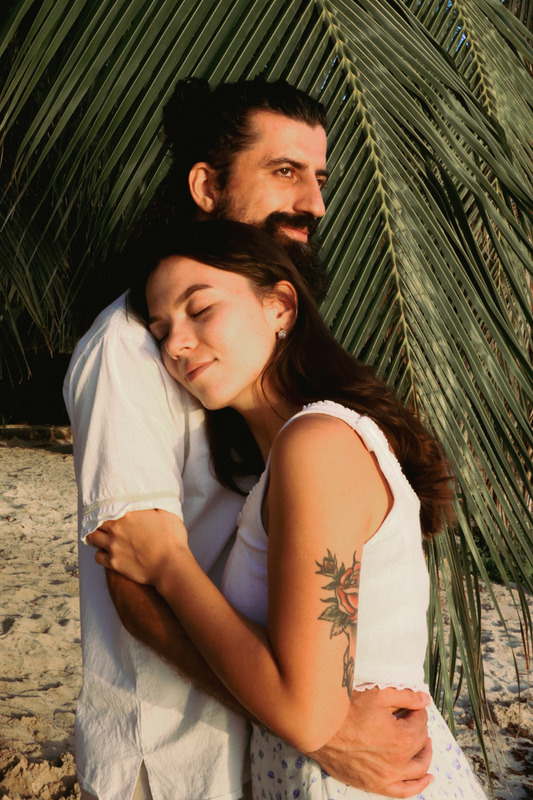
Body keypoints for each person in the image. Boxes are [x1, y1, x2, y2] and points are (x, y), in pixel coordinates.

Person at [64, 78, 433, 800]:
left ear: (279, 308)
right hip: (173, 756)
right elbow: (132, 576)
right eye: (284, 172)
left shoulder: (296, 415)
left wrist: (309, 722)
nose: (314, 204)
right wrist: (324, 730)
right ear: (206, 185)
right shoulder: (128, 347)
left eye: (320, 178)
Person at [89, 220, 488, 800]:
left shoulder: (317, 445)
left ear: (280, 306)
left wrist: (171, 567)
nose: (175, 343)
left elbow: (309, 716)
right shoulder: (291, 457)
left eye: (199, 310)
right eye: (160, 329)